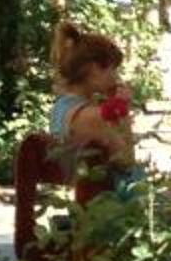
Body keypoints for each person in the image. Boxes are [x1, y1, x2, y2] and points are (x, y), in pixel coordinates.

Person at [48, 21, 141, 192]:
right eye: (113, 69)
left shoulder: (60, 108)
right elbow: (127, 162)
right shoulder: (92, 116)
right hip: (109, 200)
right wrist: (123, 112)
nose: (115, 77)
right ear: (94, 68)